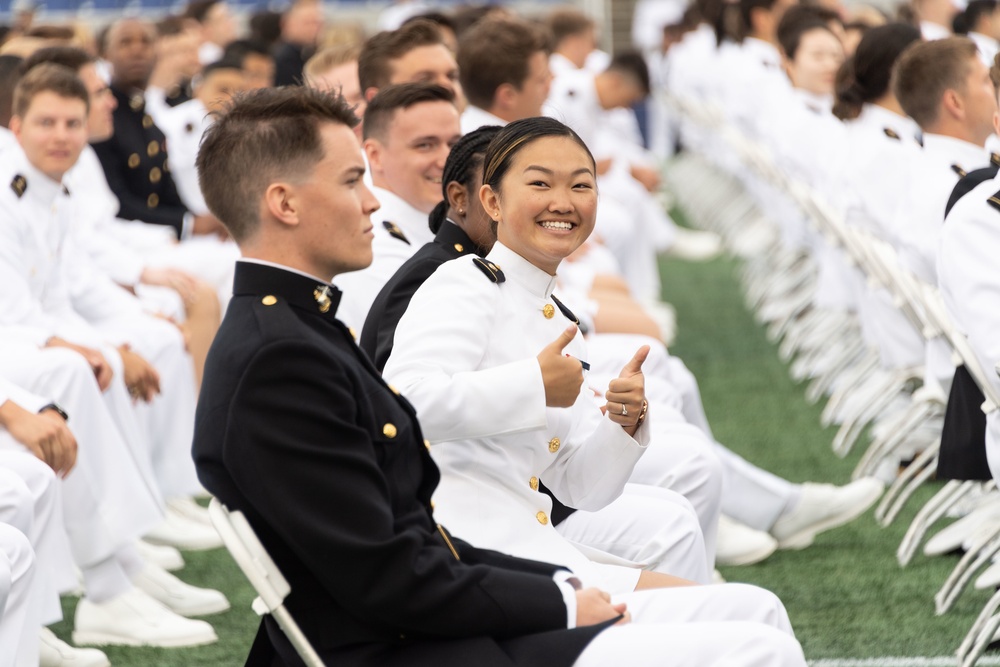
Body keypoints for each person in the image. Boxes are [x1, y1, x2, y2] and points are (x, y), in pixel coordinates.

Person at [192, 83, 806, 667]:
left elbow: (415, 535)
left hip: (455, 603)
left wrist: (619, 433)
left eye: (580, 184)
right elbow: (380, 568)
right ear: (284, 202)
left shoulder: (300, 332)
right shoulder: (282, 356)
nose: (374, 200)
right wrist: (559, 599)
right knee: (757, 648)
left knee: (757, 611)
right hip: (416, 645)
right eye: (354, 180)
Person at [333, 83, 462, 333]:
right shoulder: (375, 246)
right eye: (425, 145)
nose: (446, 160)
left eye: (454, 144)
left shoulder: (437, 229)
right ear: (375, 155)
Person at [272, 0, 324, 86]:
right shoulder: (282, 57)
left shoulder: (309, 52)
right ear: (287, 24)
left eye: (317, 23)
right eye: (307, 23)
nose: (314, 28)